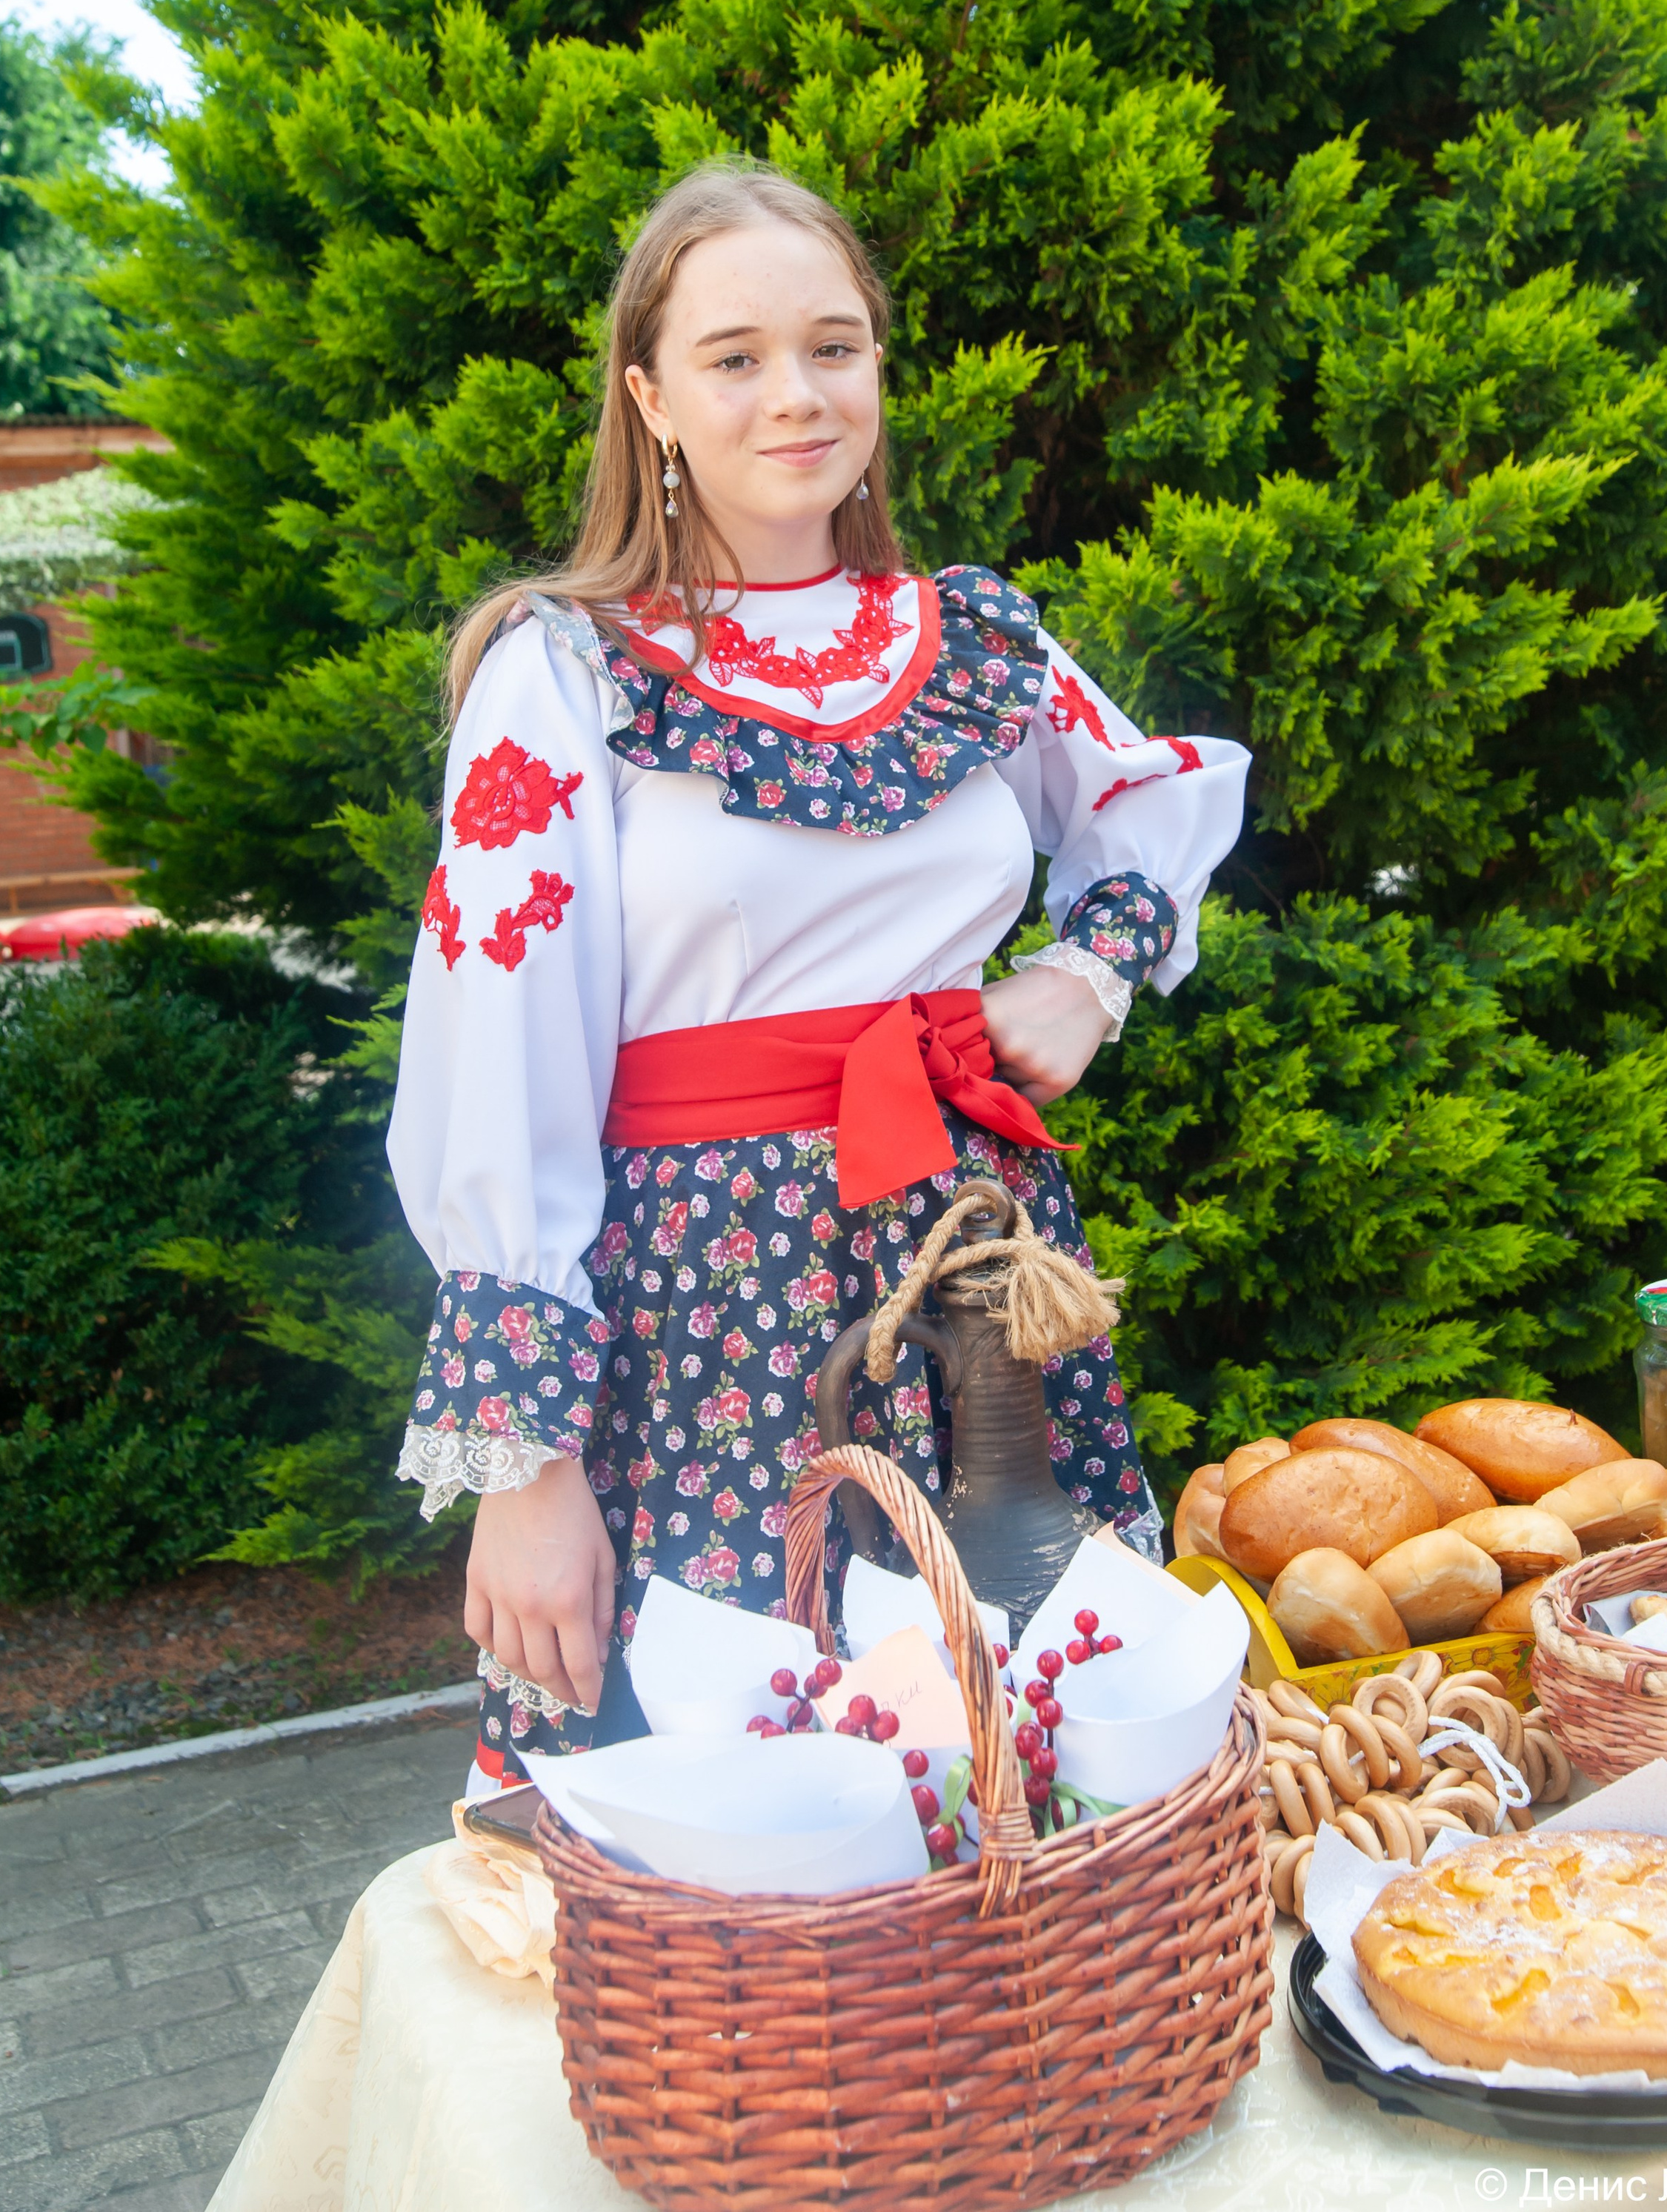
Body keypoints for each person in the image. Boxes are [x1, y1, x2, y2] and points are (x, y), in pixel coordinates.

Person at [387, 163, 1250, 1787]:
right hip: (705, 1315)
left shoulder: (971, 638)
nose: (795, 394)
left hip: (972, 1269)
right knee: (759, 1785)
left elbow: (1147, 806)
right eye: (733, 356)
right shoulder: (562, 672)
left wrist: (1087, 976)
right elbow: (494, 1059)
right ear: (646, 395)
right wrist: (523, 1466)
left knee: (1025, 1759)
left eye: (834, 346)